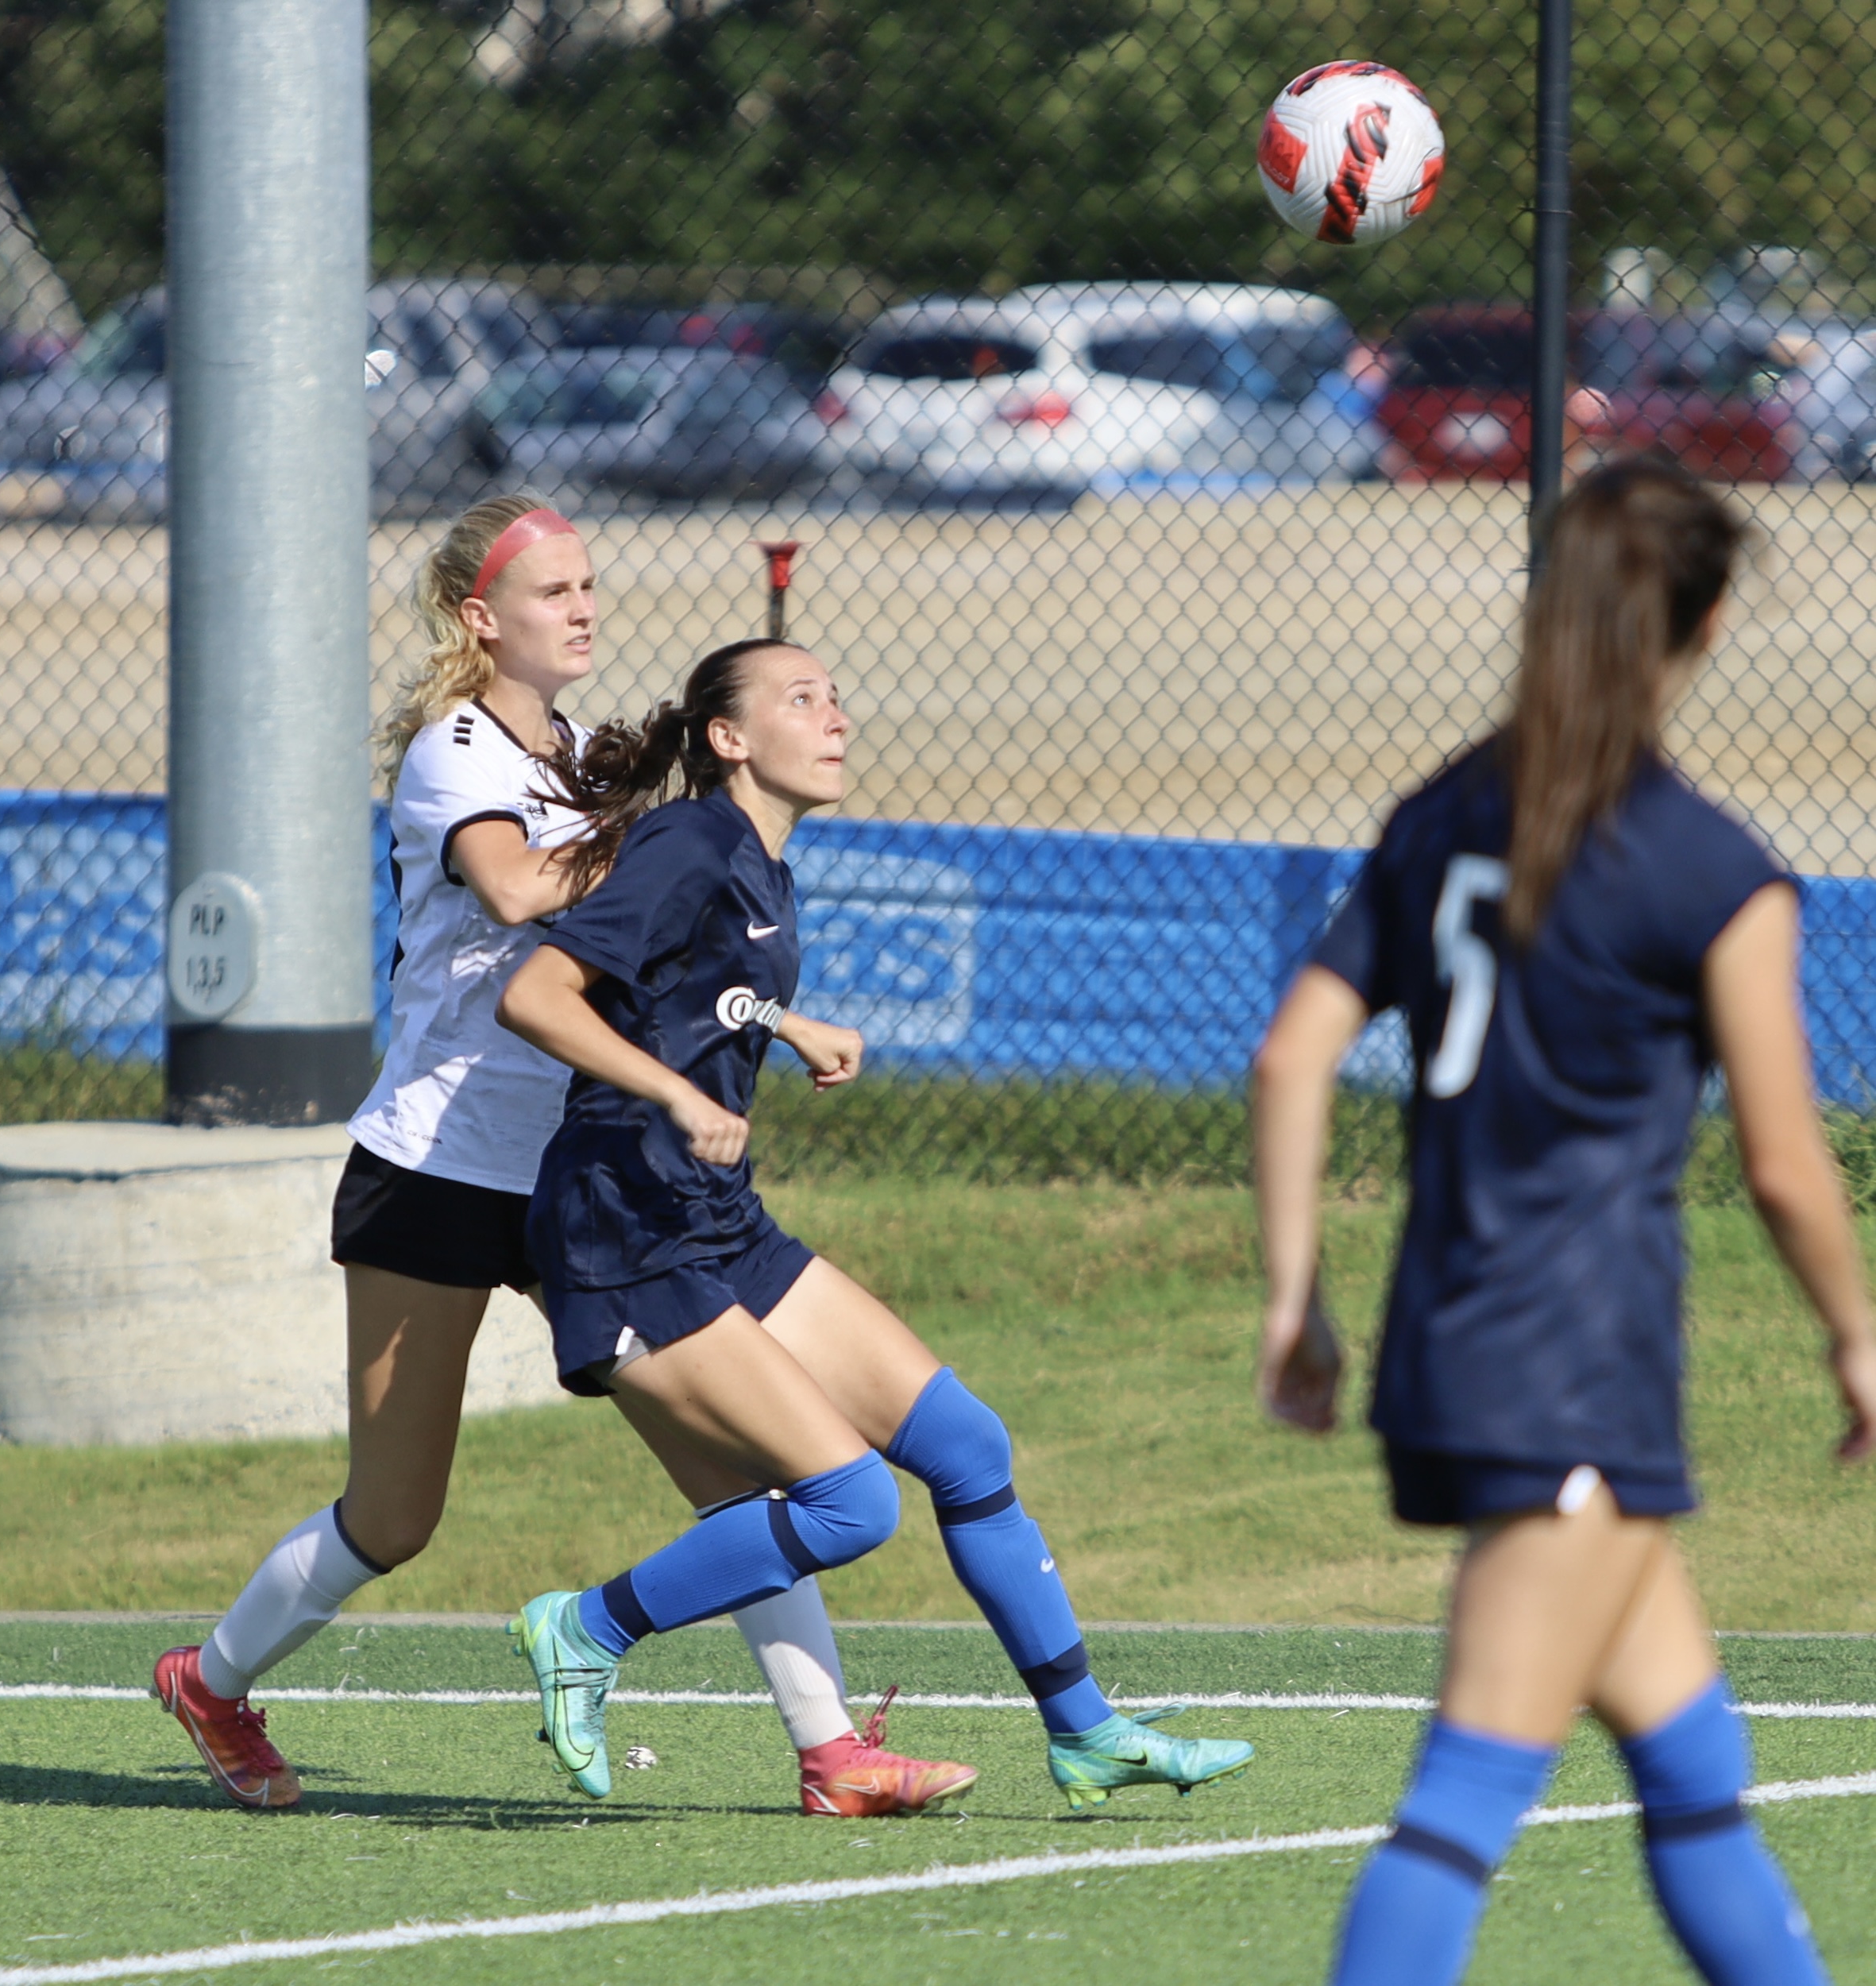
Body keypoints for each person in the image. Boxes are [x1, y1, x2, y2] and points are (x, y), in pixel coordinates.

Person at [154, 494, 971, 1821]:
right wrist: (664, 839)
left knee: (738, 1470)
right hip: (439, 1171)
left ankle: (834, 1757)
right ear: (482, 618)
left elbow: (664, 946)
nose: (583, 609)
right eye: (552, 593)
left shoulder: (590, 753)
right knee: (394, 1516)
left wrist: (763, 988)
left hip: (584, 1178)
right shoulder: (451, 751)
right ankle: (214, 1680)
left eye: (591, 587)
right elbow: (524, 893)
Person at [1251, 456, 1876, 1985]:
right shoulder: (1710, 869)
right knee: (1457, 1809)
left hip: (1455, 1349)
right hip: (1575, 1372)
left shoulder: (1441, 814)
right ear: (1707, 623)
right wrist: (1859, 1335)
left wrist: (1296, 1300)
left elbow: (1290, 1054)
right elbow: (1788, 1169)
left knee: (1694, 1772)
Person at [495, 634, 1257, 1809]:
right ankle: (586, 1630)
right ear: (729, 739)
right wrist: (678, 1093)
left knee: (968, 1446)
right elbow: (534, 994)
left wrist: (787, 1027)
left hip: (714, 1220)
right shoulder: (690, 840)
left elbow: (689, 992)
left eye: (837, 696)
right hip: (622, 1231)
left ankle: (1088, 1731)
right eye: (801, 699)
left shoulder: (759, 863)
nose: (835, 716)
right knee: (850, 1505)